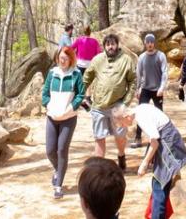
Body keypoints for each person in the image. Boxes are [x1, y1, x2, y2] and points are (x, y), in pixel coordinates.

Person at [113, 103, 186, 219]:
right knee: (159, 183)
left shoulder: (141, 118)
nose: (124, 126)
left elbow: (155, 142)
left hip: (168, 142)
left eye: (122, 124)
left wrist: (144, 163)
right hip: (166, 139)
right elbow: (153, 138)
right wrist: (147, 159)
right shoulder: (140, 108)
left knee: (159, 183)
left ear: (126, 116)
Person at [82, 33, 136, 171]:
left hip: (118, 106)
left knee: (120, 136)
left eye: (113, 44)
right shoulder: (97, 60)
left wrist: (125, 104)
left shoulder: (126, 60)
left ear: (117, 45)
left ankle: (121, 154)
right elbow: (86, 78)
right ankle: (99, 169)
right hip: (99, 106)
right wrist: (80, 94)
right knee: (99, 138)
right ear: (104, 46)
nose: (110, 47)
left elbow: (132, 82)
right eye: (108, 44)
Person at [41, 44, 86, 198]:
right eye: (61, 58)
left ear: (71, 59)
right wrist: (48, 105)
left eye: (66, 58)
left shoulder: (76, 74)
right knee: (50, 151)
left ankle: (59, 185)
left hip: (68, 118)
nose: (63, 61)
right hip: (52, 117)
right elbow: (45, 93)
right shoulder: (52, 73)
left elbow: (81, 95)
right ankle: (58, 170)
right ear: (57, 58)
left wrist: (72, 108)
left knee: (61, 150)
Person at [131, 34, 166, 148]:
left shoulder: (161, 56)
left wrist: (162, 88)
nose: (150, 44)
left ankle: (162, 138)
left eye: (152, 41)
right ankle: (138, 138)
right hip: (145, 89)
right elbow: (138, 74)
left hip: (157, 90)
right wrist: (138, 89)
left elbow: (165, 73)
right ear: (145, 43)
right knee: (141, 114)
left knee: (160, 114)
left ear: (154, 43)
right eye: (148, 42)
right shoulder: (141, 57)